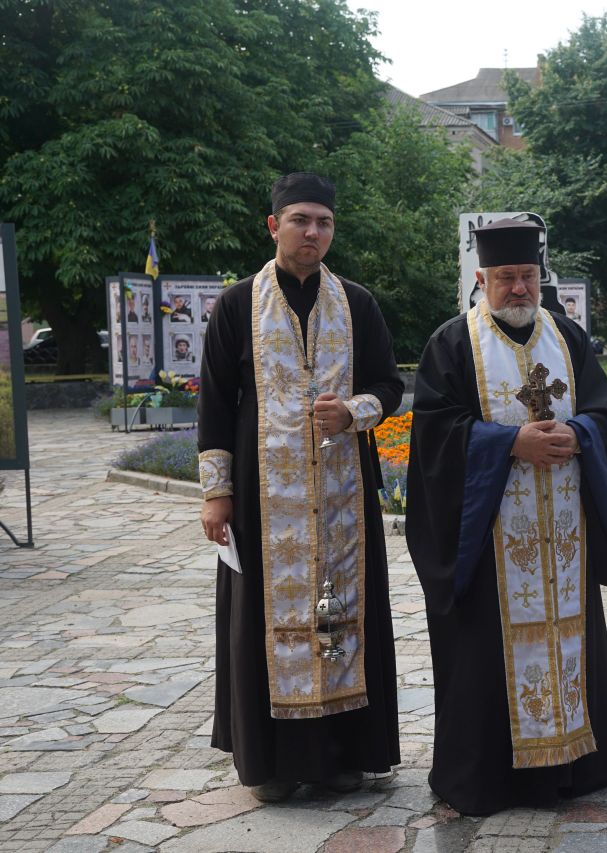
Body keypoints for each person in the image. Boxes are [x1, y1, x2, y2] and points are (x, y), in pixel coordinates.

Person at [405, 218, 607, 815]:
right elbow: (434, 432)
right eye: (506, 277)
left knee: (569, 644)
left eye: (528, 276)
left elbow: (606, 413)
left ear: (541, 277)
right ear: (481, 278)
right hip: (490, 544)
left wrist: (578, 433)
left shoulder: (568, 337)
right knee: (487, 655)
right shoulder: (453, 343)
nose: (518, 288)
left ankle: (574, 768)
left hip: (564, 538)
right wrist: (509, 443)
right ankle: (491, 779)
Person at [197, 172, 403, 802]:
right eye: (300, 220)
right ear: (274, 226)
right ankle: (273, 767)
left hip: (343, 498)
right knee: (260, 621)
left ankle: (343, 757)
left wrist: (354, 412)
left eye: (324, 223)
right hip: (264, 500)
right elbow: (214, 402)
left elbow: (389, 386)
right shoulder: (237, 305)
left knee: (345, 618)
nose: (313, 232)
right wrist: (216, 493)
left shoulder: (358, 303)